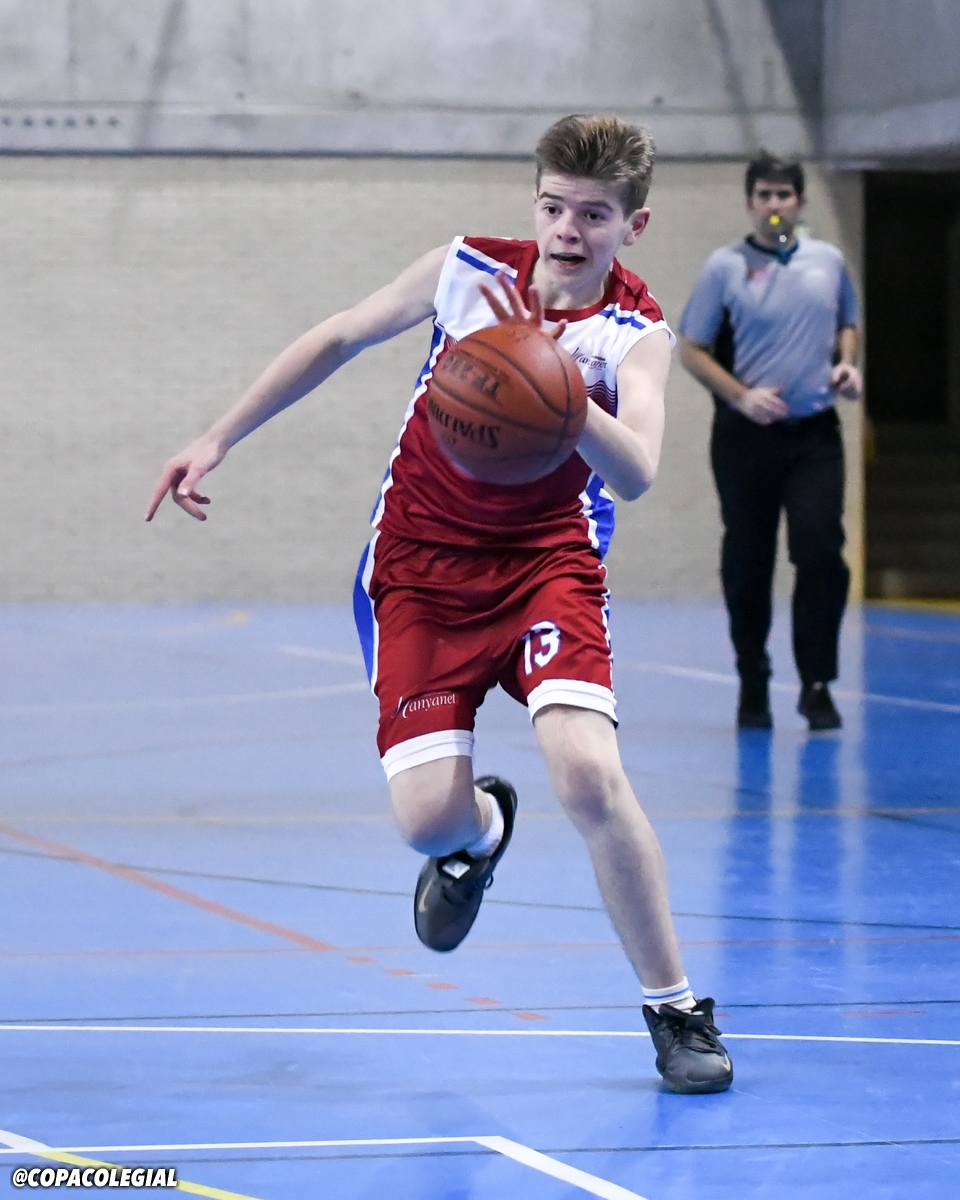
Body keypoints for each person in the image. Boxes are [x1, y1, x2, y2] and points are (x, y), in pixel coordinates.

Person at [146, 114, 733, 1095]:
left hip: (546, 566)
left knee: (590, 777)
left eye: (594, 214)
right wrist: (218, 437)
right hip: (418, 568)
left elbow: (635, 472)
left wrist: (553, 384)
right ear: (534, 203)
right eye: (554, 206)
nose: (568, 230)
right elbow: (339, 334)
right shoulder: (467, 271)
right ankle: (480, 836)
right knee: (426, 823)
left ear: (633, 226)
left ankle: (675, 1009)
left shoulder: (635, 334)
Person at [678, 152, 862, 732]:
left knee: (820, 552)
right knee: (749, 559)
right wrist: (741, 396)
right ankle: (753, 679)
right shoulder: (725, 267)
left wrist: (847, 364)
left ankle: (817, 684)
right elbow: (691, 349)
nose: (774, 205)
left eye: (784, 195)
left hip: (814, 435)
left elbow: (848, 321)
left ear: (800, 202)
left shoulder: (827, 261)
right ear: (750, 202)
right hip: (746, 438)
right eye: (764, 195)